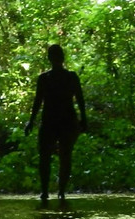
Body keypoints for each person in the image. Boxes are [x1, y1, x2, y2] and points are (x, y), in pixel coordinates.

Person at [24, 44, 87, 201]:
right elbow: (80, 99)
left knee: (46, 157)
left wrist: (31, 121)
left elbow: (38, 102)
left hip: (52, 121)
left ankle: (47, 192)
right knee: (64, 156)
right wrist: (83, 119)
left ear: (49, 58)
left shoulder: (45, 78)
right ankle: (60, 192)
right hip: (65, 121)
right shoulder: (69, 77)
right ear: (62, 57)